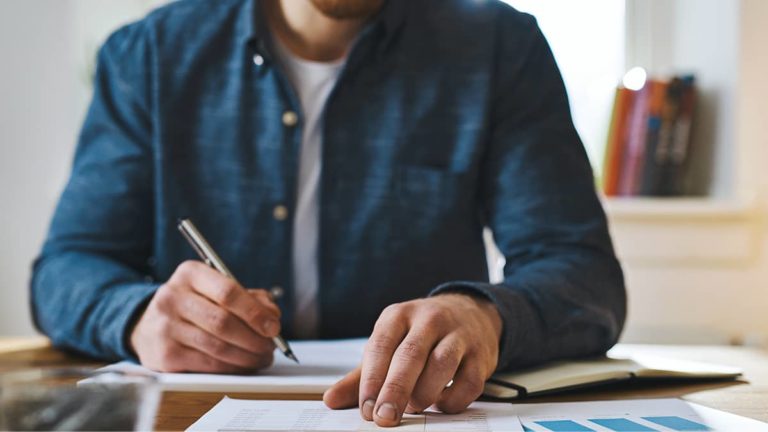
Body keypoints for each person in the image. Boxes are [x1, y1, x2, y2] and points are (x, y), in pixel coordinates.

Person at [31, 0, 626, 427]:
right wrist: (137, 317)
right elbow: (66, 269)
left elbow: (583, 274)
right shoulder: (150, 56)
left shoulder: (500, 49)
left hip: (420, 419)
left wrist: (483, 315)